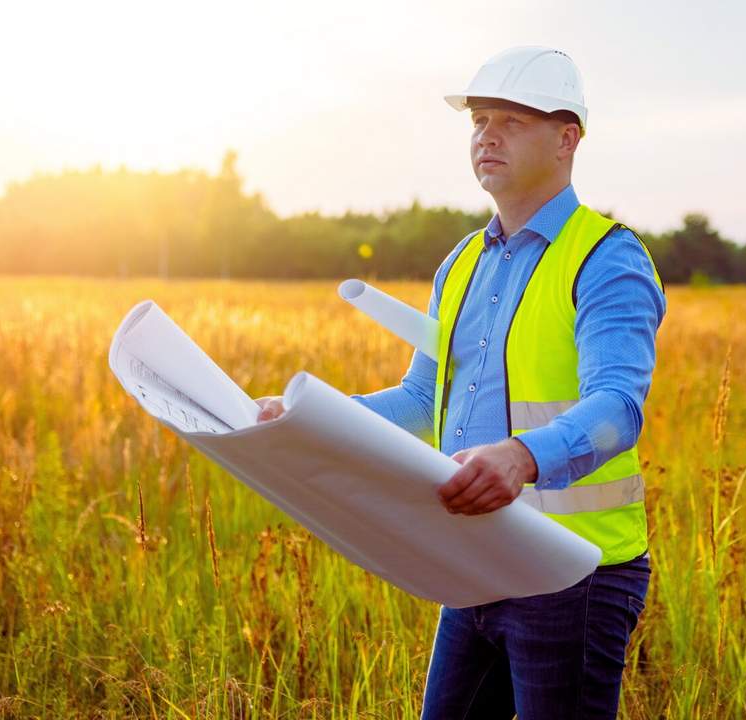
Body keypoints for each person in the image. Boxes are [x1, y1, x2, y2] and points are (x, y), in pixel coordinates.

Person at [255, 45, 666, 720]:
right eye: (478, 120)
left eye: (510, 119)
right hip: (473, 561)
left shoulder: (606, 258)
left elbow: (618, 408)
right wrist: (305, 419)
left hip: (574, 573)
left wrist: (525, 455)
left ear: (567, 139)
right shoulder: (462, 262)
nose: (487, 135)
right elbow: (423, 399)